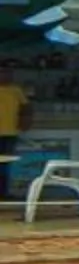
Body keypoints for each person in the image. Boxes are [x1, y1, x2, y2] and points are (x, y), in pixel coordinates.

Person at [0, 72, 24, 202]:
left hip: (10, 132)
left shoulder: (16, 90)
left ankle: (4, 193)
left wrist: (24, 121)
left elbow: (26, 106)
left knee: (5, 165)